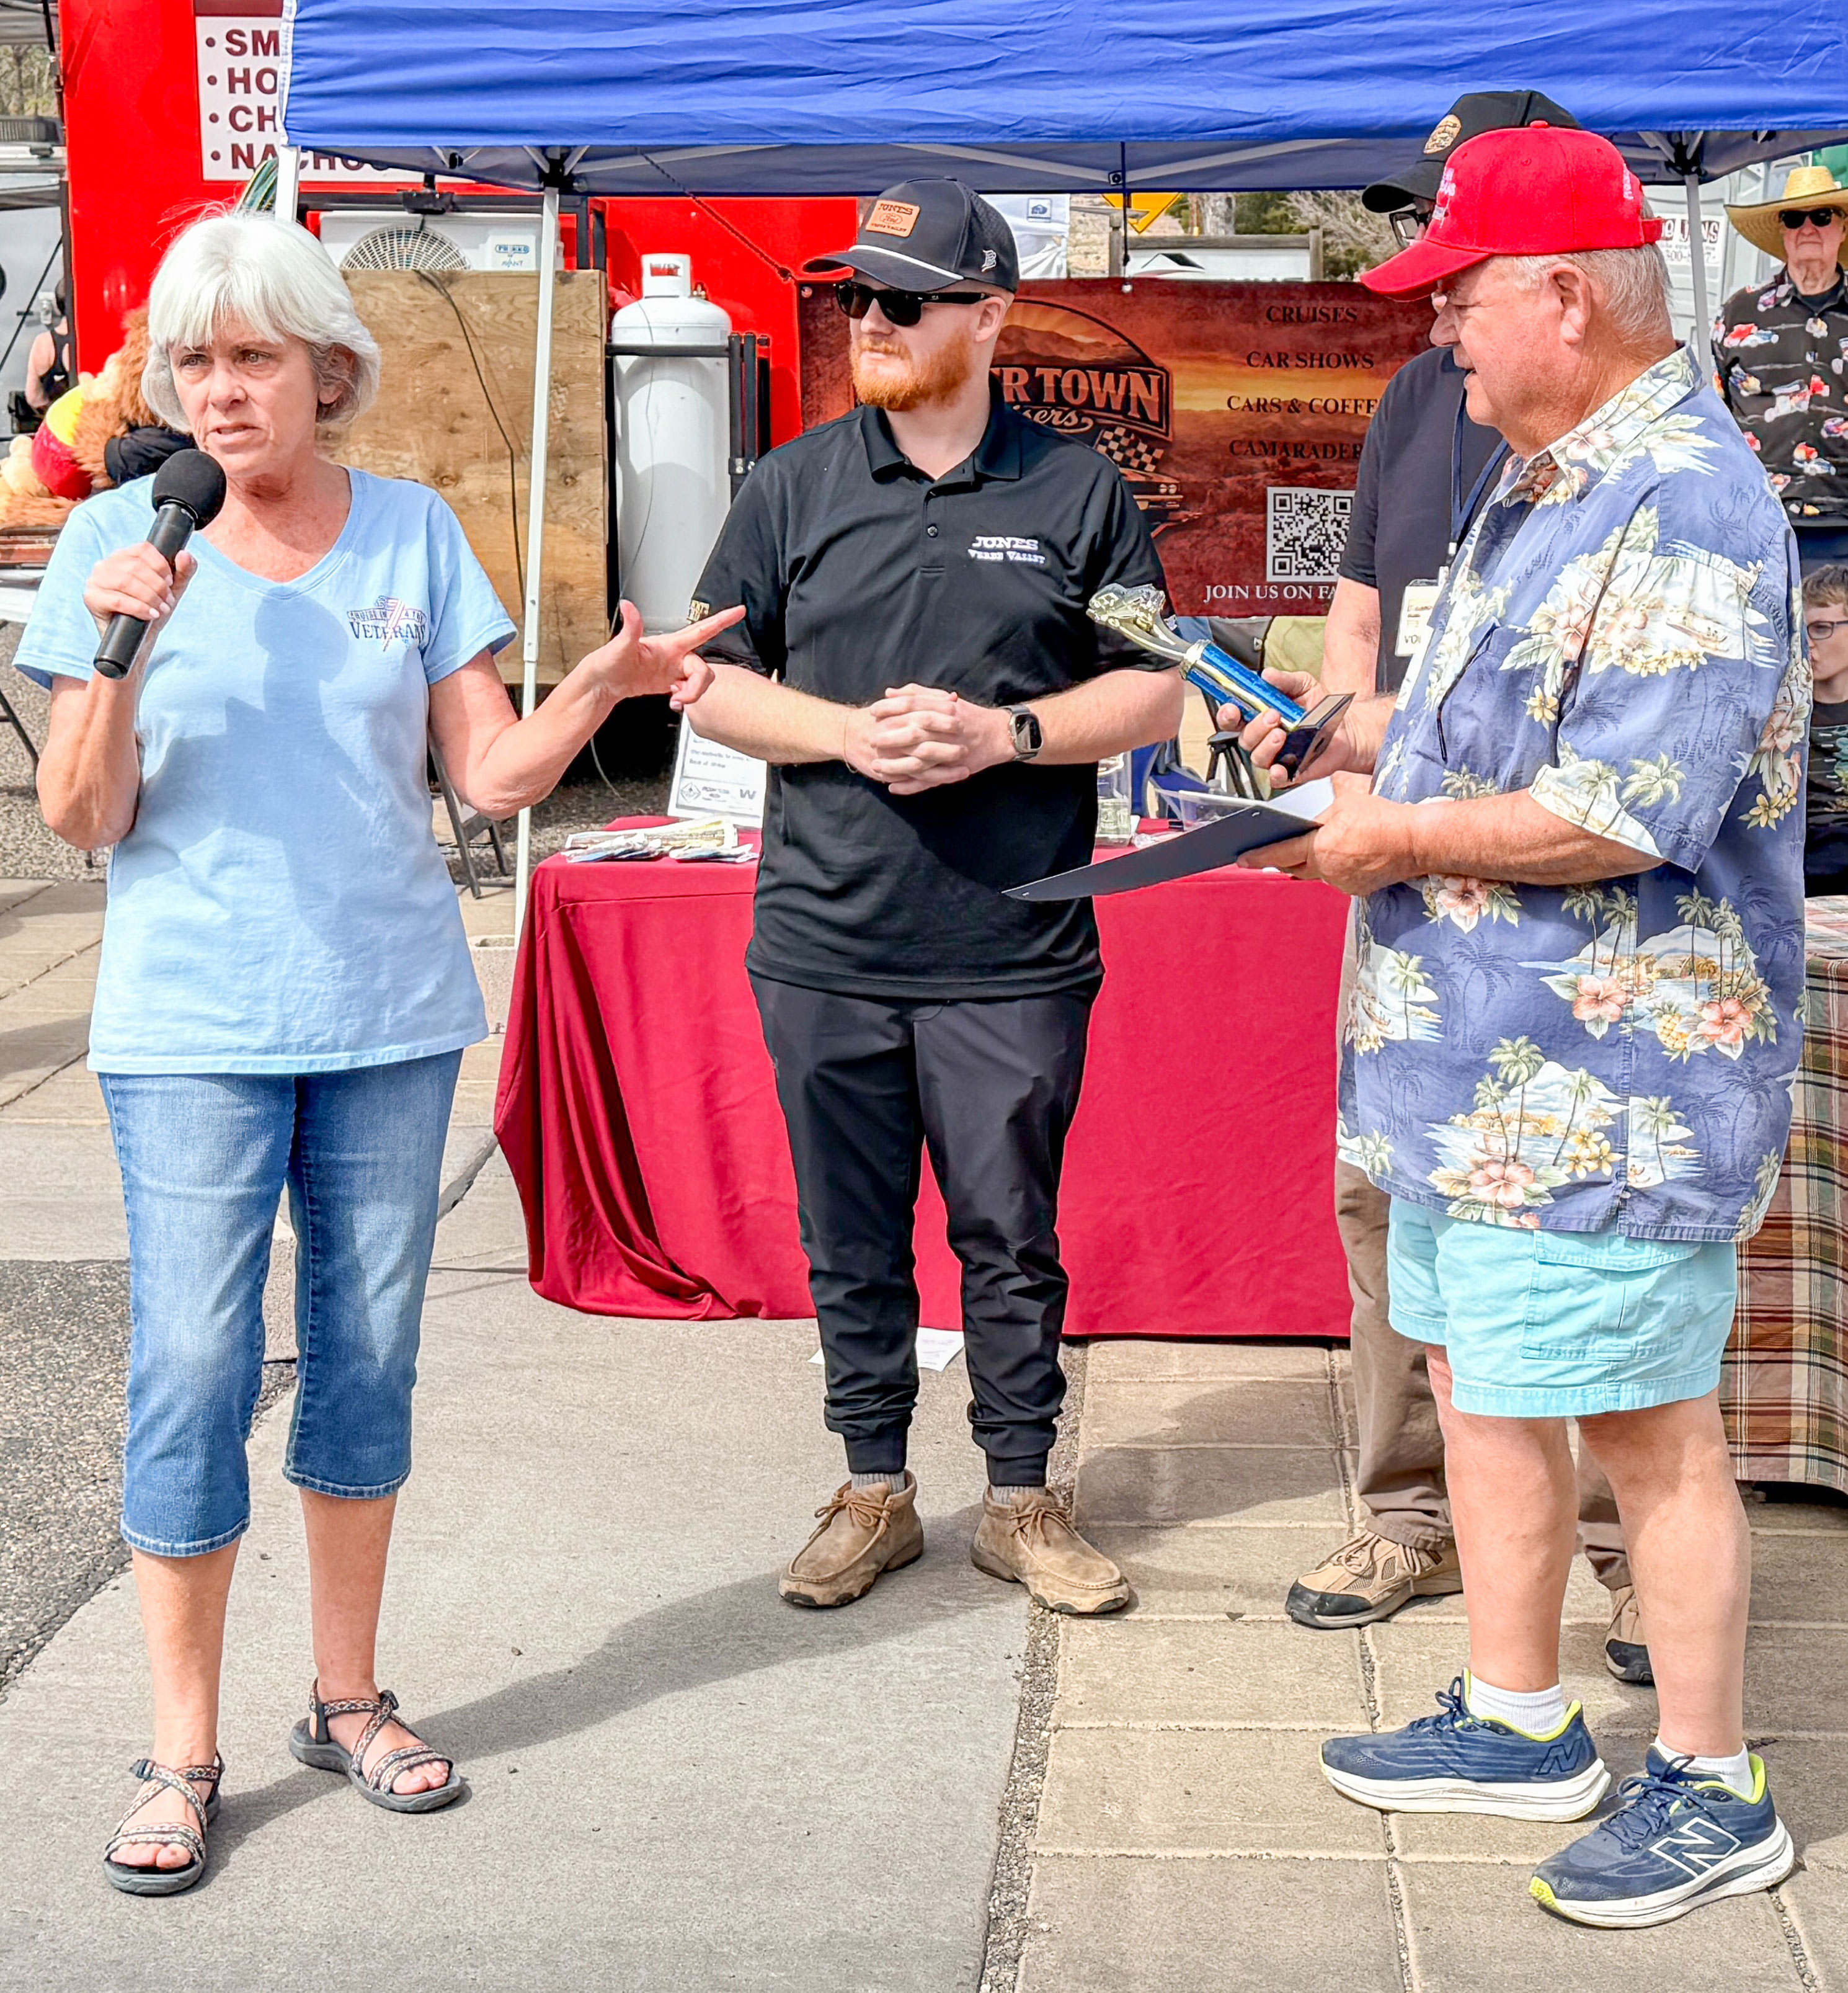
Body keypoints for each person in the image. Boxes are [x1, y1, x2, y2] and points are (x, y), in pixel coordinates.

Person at [20, 212, 734, 1896]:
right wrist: (119, 651)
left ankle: (346, 1698)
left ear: (327, 372)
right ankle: (179, 1746)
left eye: (253, 357)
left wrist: (602, 690)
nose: (220, 390)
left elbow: (487, 778)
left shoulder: (412, 532)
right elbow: (79, 818)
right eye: (194, 361)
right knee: (194, 1365)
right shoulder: (118, 540)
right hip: (191, 1027)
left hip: (388, 1016)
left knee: (365, 1360)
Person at [1238, 125, 1803, 1927]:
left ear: (1565, 295)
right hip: (1475, 1083)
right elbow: (1495, 731)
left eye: (1459, 300)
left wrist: (1384, 836)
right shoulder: (1544, 478)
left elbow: (1625, 808)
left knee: (1643, 1426)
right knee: (1481, 1389)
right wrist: (1353, 741)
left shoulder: (1683, 497)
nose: (1438, 336)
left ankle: (1712, 1785)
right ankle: (1515, 1719)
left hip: (1606, 1095)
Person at [680, 180, 1182, 1615]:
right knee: (848, 1237)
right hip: (824, 936)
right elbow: (706, 679)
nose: (870, 323)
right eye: (857, 298)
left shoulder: (1073, 492)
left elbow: (1153, 688)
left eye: (901, 301)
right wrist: (847, 734)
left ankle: (1020, 1498)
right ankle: (873, 1489)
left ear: (988, 317)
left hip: (1010, 940)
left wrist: (1003, 734)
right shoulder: (790, 485)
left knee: (1007, 1237)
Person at [1292, 90, 1650, 1688]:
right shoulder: (1417, 397)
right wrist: (1338, 765)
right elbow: (1359, 612)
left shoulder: (1631, 443)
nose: (1433, 293)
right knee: (1389, 1199)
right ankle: (1406, 1511)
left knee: (1586, 1225)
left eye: (1458, 257)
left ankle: (1624, 1557)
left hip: (1566, 924)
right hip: (1410, 885)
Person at [1717, 166, 1848, 572]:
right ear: (1783, 232)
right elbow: (1717, 415)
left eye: (1822, 216)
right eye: (1794, 218)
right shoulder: (1740, 312)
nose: (1808, 228)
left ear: (1843, 228)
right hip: (1758, 521)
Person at [1801, 564, 1848, 894]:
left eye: (1821, 628)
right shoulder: (1782, 715)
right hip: (1802, 877)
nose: (1808, 644)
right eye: (1800, 631)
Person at [25, 279, 73, 412]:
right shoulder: (95, 340)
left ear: (57, 306)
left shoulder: (43, 344)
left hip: (58, 417)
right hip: (93, 418)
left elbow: (33, 398)